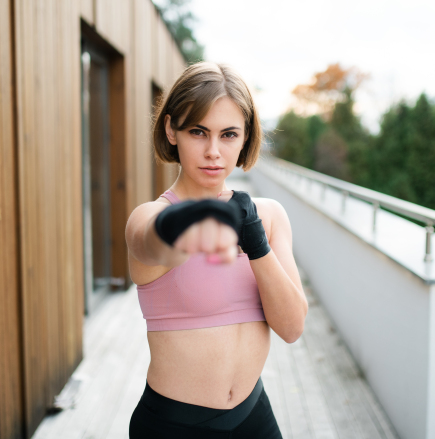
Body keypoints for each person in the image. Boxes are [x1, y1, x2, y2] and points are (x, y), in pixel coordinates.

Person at [126, 62, 308, 438]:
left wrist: (255, 240)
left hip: (253, 417)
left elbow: (291, 328)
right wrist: (200, 217)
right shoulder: (151, 216)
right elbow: (152, 242)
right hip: (175, 427)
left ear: (245, 139)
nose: (213, 151)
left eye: (228, 135)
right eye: (198, 132)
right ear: (171, 130)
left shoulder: (269, 216)